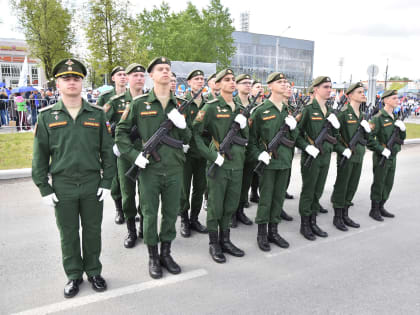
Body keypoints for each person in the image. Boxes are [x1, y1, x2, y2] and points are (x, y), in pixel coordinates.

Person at [32, 58, 115, 298]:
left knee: (92, 231)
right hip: (63, 185)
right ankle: (73, 275)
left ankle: (94, 271)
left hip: (91, 184)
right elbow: (39, 157)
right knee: (68, 234)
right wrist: (44, 188)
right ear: (57, 84)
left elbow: (107, 152)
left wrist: (107, 182)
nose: (71, 82)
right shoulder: (47, 116)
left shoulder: (97, 114)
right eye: (66, 78)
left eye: (76, 78)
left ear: (82, 83)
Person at [116, 57, 191, 279]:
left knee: (170, 214)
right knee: (150, 214)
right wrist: (133, 156)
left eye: (168, 69)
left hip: (175, 168)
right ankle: (153, 256)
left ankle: (166, 253)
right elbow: (121, 133)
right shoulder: (139, 104)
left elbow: (188, 138)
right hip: (149, 170)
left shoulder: (179, 103)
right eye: (161, 69)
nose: (166, 72)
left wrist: (183, 125)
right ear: (152, 75)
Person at [193, 68, 247, 263]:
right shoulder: (211, 107)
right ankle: (214, 243)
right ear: (218, 84)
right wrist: (211, 155)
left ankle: (226, 240)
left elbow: (246, 138)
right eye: (227, 80)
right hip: (219, 161)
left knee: (231, 204)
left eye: (233, 80)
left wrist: (244, 124)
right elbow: (195, 134)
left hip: (237, 162)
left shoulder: (240, 108)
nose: (232, 82)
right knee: (216, 205)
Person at [249, 73, 297, 251]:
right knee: (266, 200)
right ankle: (262, 233)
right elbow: (251, 141)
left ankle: (274, 231)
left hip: (284, 162)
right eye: (280, 82)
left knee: (278, 199)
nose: (284, 84)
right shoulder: (261, 111)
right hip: (268, 164)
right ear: (270, 86)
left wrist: (294, 128)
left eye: (285, 82)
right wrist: (259, 155)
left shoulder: (287, 110)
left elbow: (294, 139)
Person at [296, 76, 340, 241]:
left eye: (330, 87)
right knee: (308, 191)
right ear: (316, 89)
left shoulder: (329, 111)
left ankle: (313, 221)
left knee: (318, 190)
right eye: (326, 87)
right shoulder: (307, 109)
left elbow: (334, 136)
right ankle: (305, 224)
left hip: (325, 156)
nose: (329, 90)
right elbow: (296, 134)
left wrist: (335, 127)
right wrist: (306, 147)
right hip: (311, 157)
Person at [106, 64, 146, 247]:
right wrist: (112, 143)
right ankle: (131, 230)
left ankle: (144, 227)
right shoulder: (116, 101)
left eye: (141, 75)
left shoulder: (151, 100)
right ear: (128, 78)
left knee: (146, 193)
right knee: (127, 194)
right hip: (124, 152)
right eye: (135, 75)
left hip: (147, 152)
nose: (139, 78)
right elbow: (100, 123)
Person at [331, 82, 372, 231]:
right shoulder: (343, 114)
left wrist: (367, 131)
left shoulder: (362, 115)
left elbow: (367, 139)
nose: (363, 94)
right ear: (350, 96)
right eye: (359, 92)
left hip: (358, 156)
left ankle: (345, 214)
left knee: (352, 186)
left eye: (363, 92)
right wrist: (343, 150)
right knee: (342, 186)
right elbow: (333, 138)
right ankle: (337, 217)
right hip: (346, 157)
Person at [367, 89, 406, 221]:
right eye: (394, 98)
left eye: (397, 98)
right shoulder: (377, 118)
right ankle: (374, 209)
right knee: (379, 182)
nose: (397, 100)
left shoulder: (394, 117)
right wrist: (381, 149)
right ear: (386, 100)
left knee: (388, 183)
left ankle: (381, 206)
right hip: (381, 156)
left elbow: (401, 138)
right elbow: (369, 139)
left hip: (393, 155)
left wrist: (403, 130)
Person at [179, 69, 209, 238]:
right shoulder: (182, 102)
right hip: (186, 152)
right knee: (184, 188)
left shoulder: (209, 102)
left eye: (201, 78)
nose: (199, 81)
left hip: (203, 152)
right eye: (196, 79)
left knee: (200, 187)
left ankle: (194, 219)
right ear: (189, 82)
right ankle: (184, 219)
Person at [231, 73, 256, 228]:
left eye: (249, 83)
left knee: (246, 183)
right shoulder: (233, 103)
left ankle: (240, 211)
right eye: (244, 83)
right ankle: (231, 213)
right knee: (234, 185)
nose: (248, 85)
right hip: (236, 150)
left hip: (251, 149)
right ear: (237, 85)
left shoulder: (255, 104)